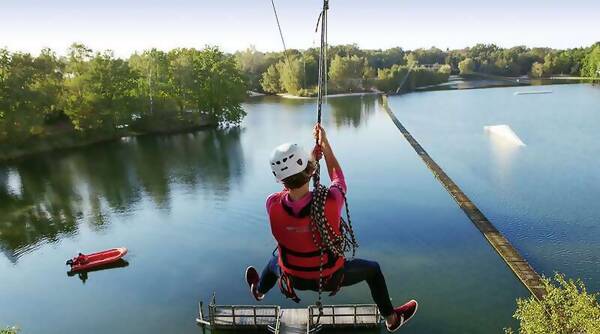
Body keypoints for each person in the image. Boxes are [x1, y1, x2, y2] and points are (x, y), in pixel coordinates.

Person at [245, 123, 418, 332]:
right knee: (373, 270)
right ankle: (391, 318)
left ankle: (259, 291)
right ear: (309, 171)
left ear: (279, 179)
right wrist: (324, 145)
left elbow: (292, 190)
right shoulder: (331, 201)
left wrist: (309, 162)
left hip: (292, 278)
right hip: (330, 277)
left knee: (274, 262)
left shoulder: (272, 204)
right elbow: (338, 177)